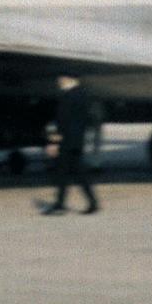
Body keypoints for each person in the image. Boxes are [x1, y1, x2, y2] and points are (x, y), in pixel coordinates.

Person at [40, 75, 100, 215]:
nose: (59, 82)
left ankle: (60, 204)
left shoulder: (67, 96)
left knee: (62, 173)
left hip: (66, 141)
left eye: (62, 79)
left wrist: (54, 142)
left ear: (70, 80)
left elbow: (62, 121)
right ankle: (92, 203)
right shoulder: (84, 95)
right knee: (78, 173)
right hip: (77, 141)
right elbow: (87, 119)